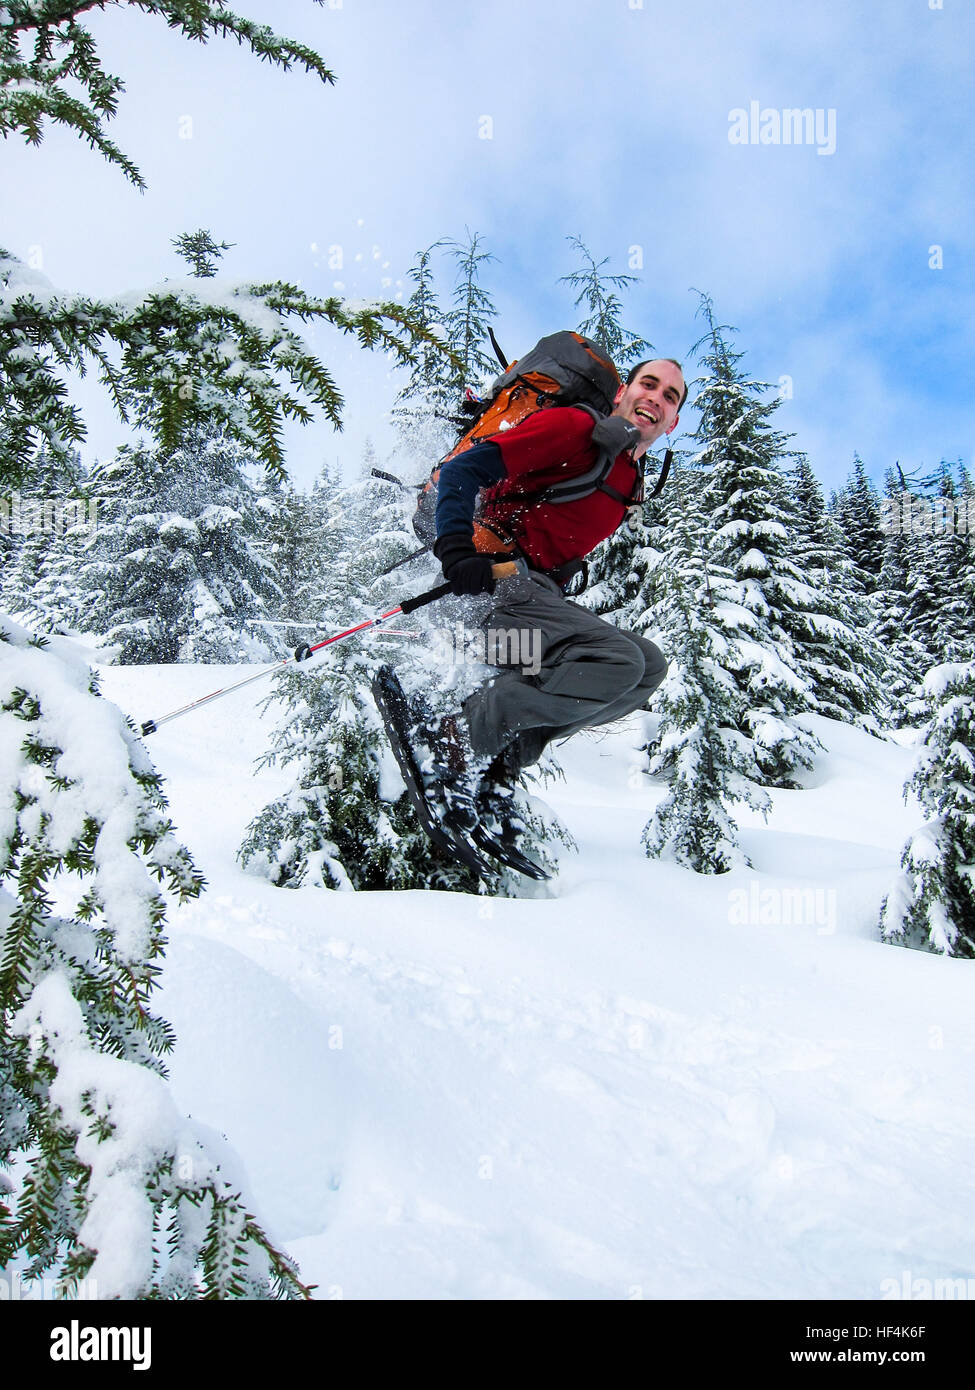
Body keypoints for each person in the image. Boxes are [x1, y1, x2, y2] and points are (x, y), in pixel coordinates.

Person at [422, 357, 686, 826]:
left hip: (519, 629)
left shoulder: (628, 479)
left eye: (670, 396)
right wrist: (457, 551)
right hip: (479, 600)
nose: (657, 398)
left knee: (647, 668)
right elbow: (464, 471)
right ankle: (458, 737)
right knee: (617, 660)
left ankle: (500, 761)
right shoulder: (575, 427)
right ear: (623, 391)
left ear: (674, 422)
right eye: (649, 384)